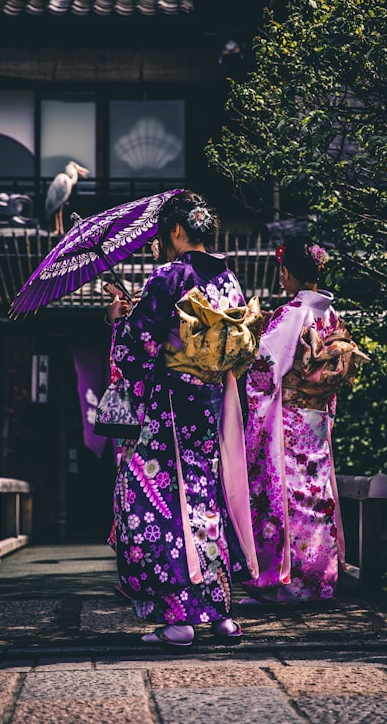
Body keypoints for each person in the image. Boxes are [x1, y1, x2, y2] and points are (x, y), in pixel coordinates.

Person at [106, 190, 259, 646]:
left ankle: (179, 619)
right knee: (204, 502)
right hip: (210, 409)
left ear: (176, 231)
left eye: (163, 234)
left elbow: (134, 355)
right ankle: (221, 613)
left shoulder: (169, 278)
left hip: (169, 411)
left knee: (150, 502)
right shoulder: (230, 281)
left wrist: (119, 320)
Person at [243, 236, 369, 604]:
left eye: (282, 273)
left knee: (283, 497)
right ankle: (319, 582)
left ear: (287, 273)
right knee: (317, 498)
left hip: (289, 421)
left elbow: (263, 369)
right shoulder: (331, 316)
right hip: (317, 421)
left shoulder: (291, 314)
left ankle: (282, 583)